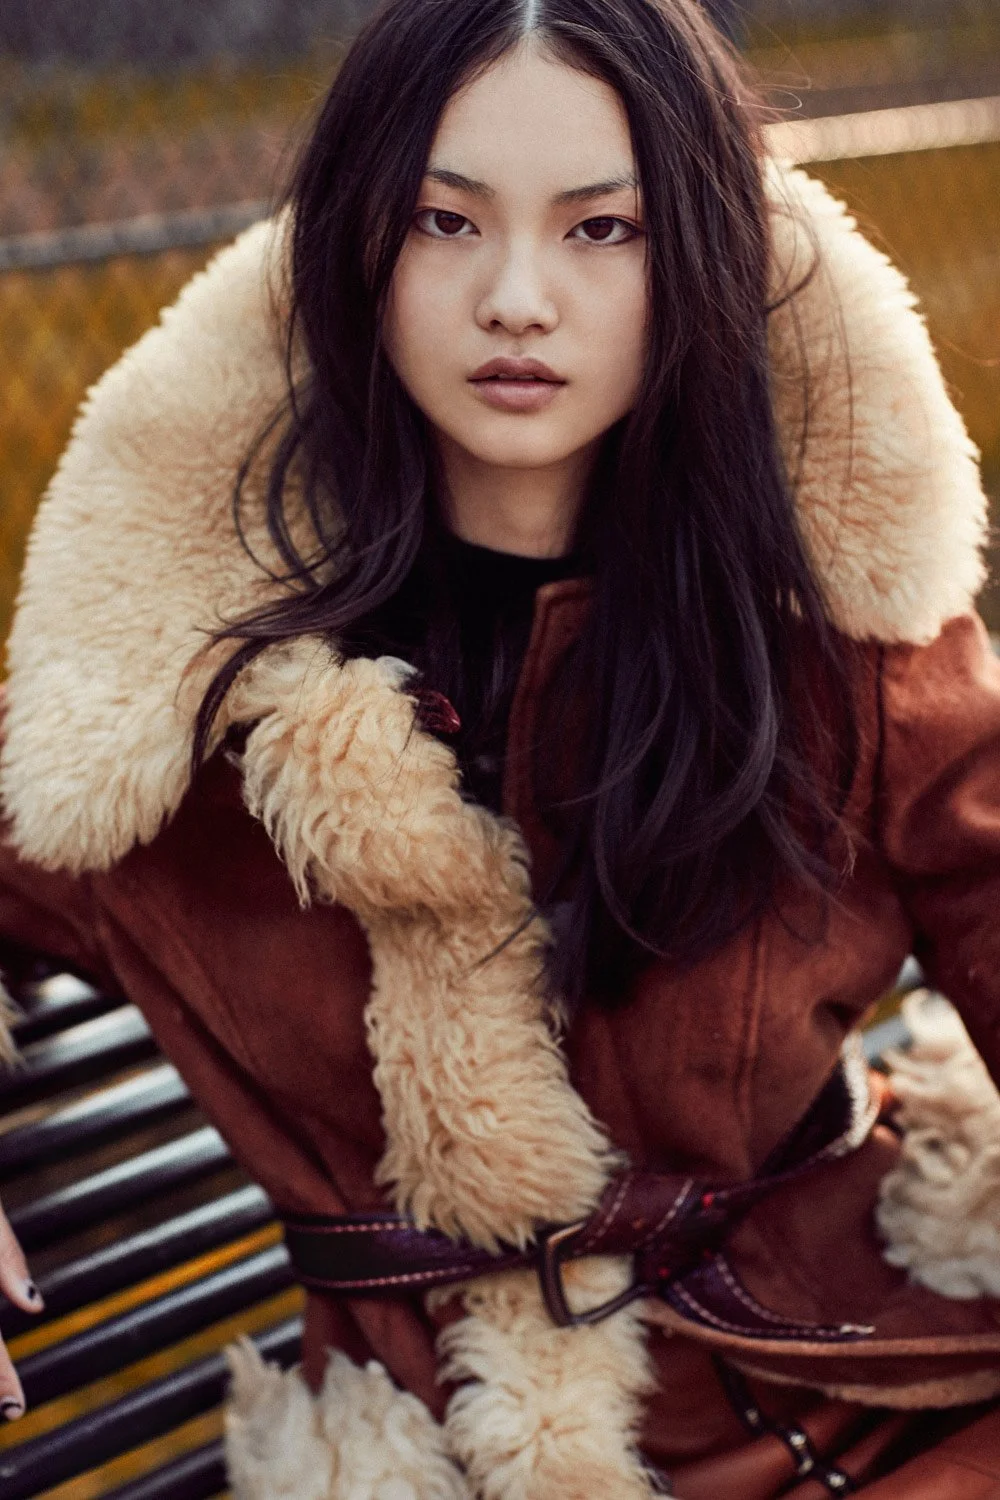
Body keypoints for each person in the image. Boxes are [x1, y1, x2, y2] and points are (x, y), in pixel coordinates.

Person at [1, 0, 1000, 1493]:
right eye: (443, 223)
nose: (518, 300)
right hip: (437, 1446)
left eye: (604, 232)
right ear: (352, 243)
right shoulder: (186, 685)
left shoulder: (832, 632)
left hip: (876, 1388)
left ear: (702, 261)